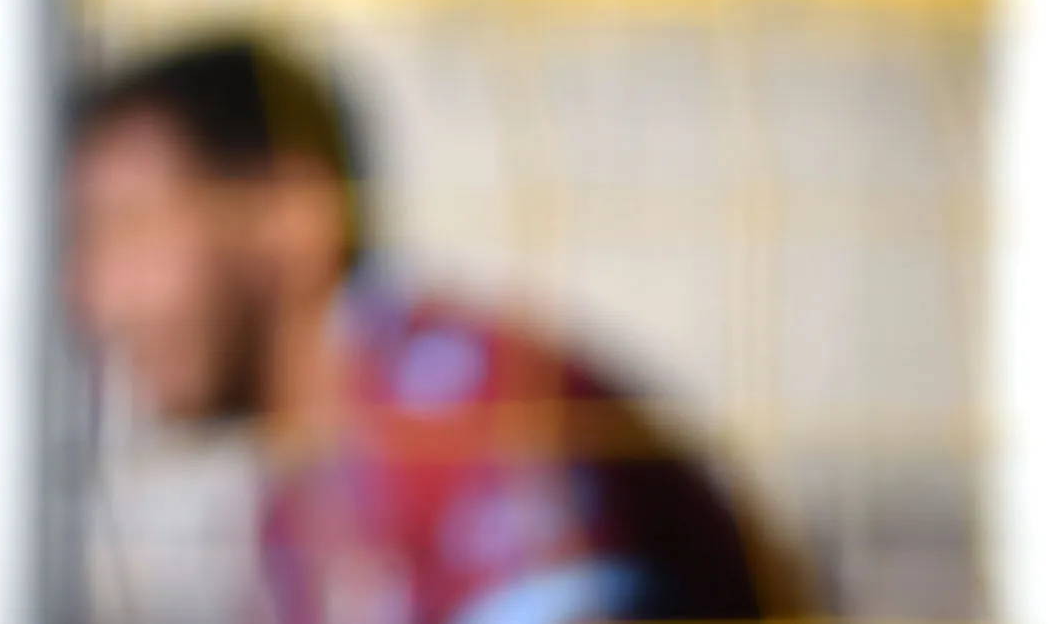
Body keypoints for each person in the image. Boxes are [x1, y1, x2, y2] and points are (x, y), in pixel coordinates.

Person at [69, 31, 818, 624]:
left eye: (127, 229)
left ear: (293, 217)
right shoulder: (314, 479)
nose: (89, 297)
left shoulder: (457, 415)